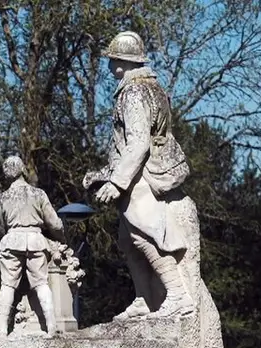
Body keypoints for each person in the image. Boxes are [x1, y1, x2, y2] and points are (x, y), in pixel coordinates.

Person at [85, 30, 195, 320]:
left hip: (141, 177)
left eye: (112, 59)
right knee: (127, 239)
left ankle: (178, 296)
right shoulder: (150, 88)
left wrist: (117, 182)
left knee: (145, 234)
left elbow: (137, 144)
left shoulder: (134, 92)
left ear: (122, 61)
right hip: (137, 173)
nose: (109, 66)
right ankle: (144, 297)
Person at [0, 155, 63, 337]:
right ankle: (51, 325)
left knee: (7, 285)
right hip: (35, 240)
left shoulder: (2, 198)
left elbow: (0, 228)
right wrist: (60, 237)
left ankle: (1, 328)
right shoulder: (38, 194)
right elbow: (55, 224)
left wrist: (3, 240)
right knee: (41, 283)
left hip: (11, 241)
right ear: (23, 169)